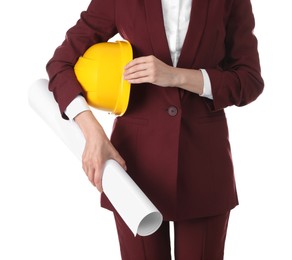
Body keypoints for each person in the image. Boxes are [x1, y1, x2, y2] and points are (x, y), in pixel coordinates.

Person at [46, 0, 264, 259]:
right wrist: (93, 133)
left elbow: (248, 80)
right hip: (134, 166)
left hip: (204, 165)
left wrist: (176, 76)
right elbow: (60, 65)